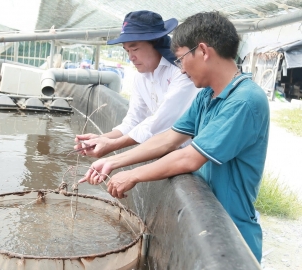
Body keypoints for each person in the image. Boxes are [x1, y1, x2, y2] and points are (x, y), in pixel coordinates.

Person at [79, 11, 269, 263]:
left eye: (180, 59)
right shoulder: (207, 95)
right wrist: (113, 162)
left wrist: (133, 174)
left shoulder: (244, 101)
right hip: (205, 217)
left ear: (202, 51)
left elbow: (190, 158)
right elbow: (169, 137)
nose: (179, 68)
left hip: (232, 231)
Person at [74, 10, 199, 158]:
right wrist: (101, 139)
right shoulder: (142, 77)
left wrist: (113, 146)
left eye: (135, 49)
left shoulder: (182, 73)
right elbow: (134, 120)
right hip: (172, 153)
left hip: (195, 155)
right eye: (127, 51)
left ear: (156, 43)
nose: (131, 57)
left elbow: (160, 122)